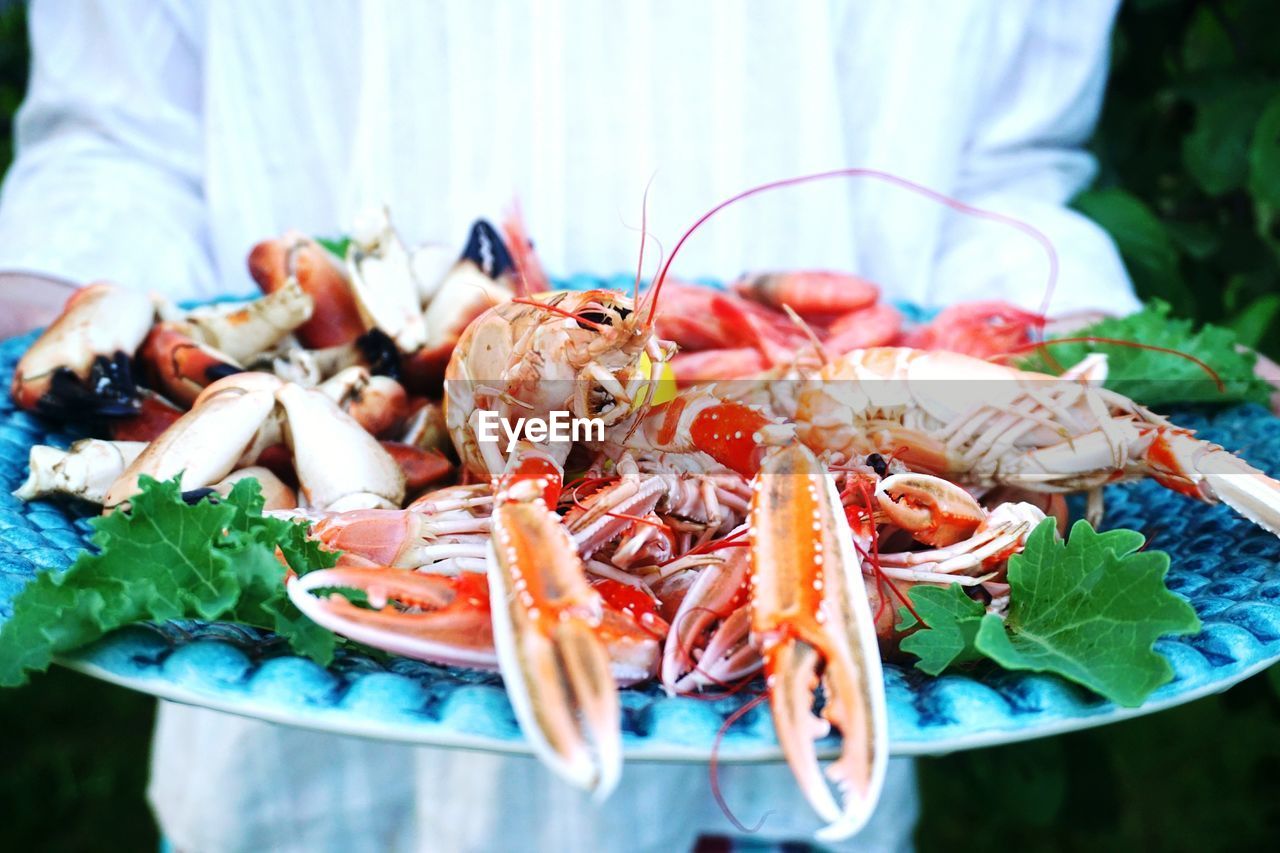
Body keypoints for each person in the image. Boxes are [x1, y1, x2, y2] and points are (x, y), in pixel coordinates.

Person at [0, 1, 1140, 850]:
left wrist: (1095, 360)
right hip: (306, 757)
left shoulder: (729, 373)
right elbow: (117, 134)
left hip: (794, 742)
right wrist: (33, 306)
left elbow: (1001, 166)